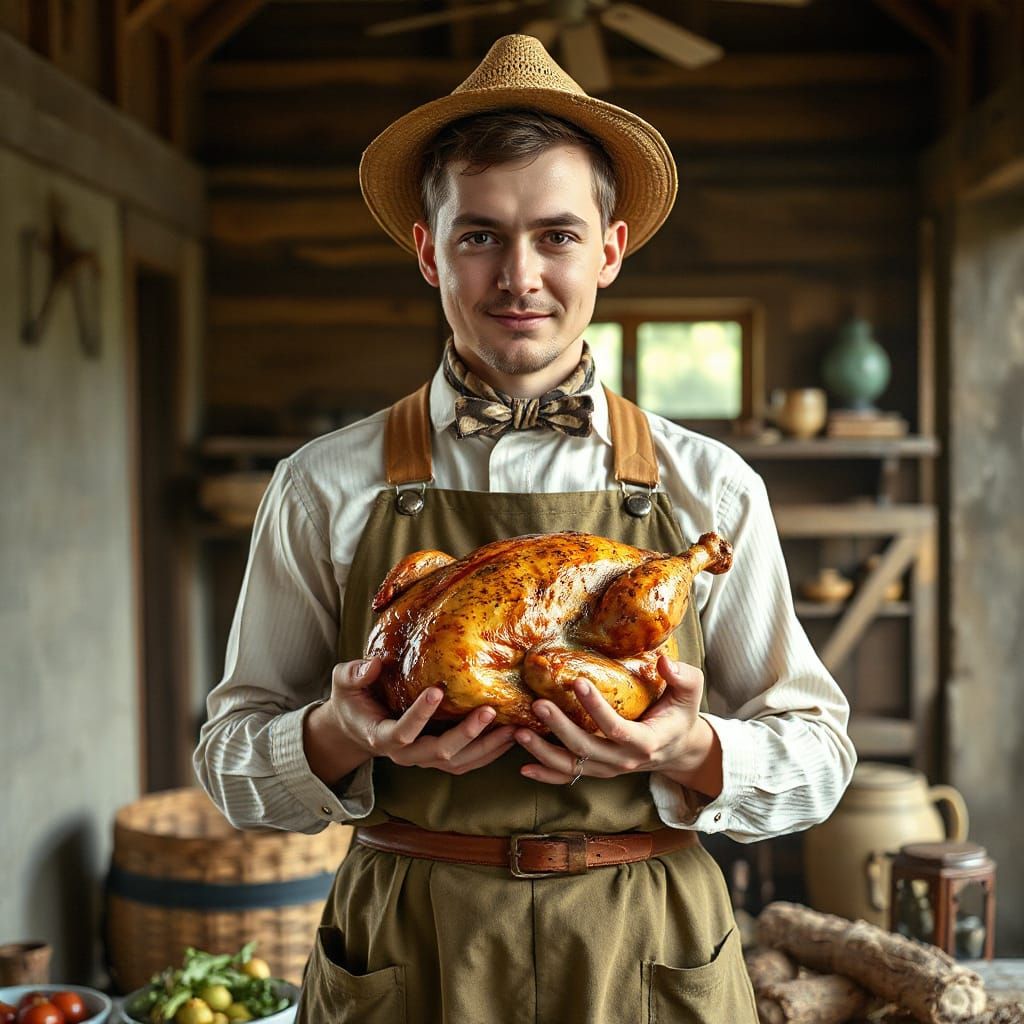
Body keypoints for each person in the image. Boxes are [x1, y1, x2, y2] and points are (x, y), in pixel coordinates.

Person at [194, 34, 856, 1024]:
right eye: (479, 236)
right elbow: (228, 764)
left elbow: (819, 755)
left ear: (609, 248)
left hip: (643, 942)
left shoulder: (709, 486)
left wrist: (686, 750)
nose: (519, 276)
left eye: (554, 234)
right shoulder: (320, 486)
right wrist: (338, 732)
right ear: (428, 251)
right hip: (413, 946)